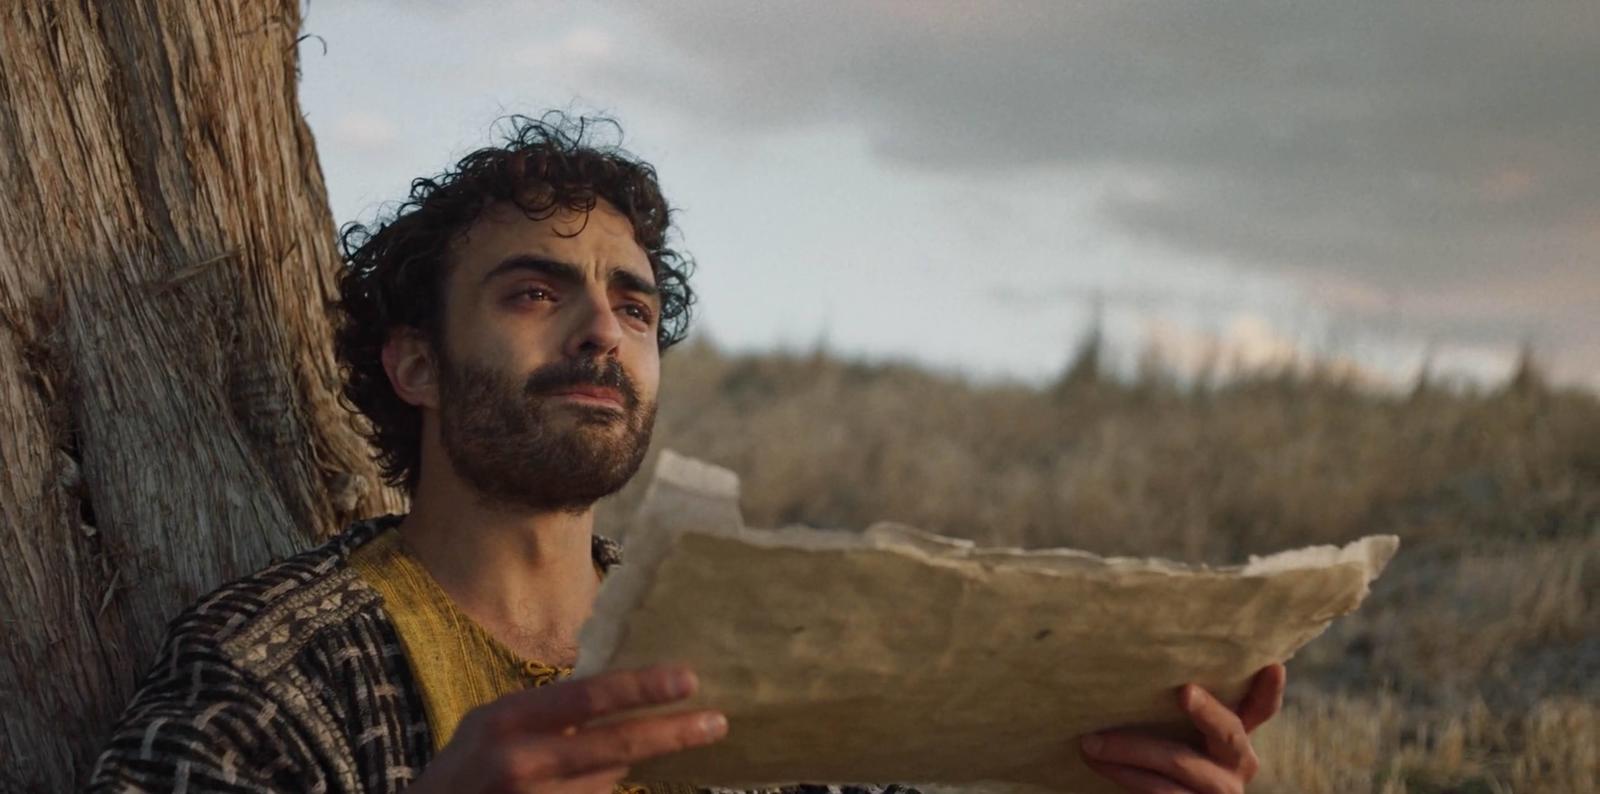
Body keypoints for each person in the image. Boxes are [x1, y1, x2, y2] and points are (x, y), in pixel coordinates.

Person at [87, 114, 1284, 794]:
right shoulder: (282, 662)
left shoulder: (736, 646)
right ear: (417, 367)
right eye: (532, 292)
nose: (602, 329)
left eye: (635, 306)